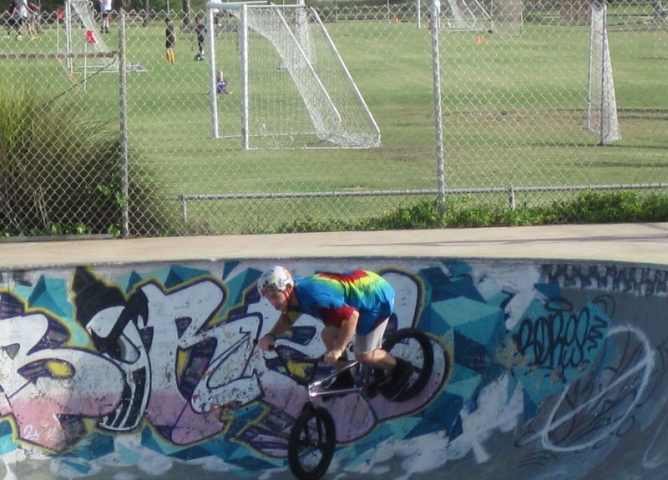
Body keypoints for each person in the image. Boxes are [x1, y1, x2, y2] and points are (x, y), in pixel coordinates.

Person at [256, 266, 410, 391]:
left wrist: (338, 349)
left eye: (275, 296)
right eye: (268, 298)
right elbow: (288, 318)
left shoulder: (311, 295)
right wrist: (271, 336)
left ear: (288, 288)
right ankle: (344, 377)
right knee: (327, 335)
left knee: (363, 355)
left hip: (375, 297)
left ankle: (402, 368)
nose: (273, 302)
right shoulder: (293, 297)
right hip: (356, 297)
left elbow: (352, 317)